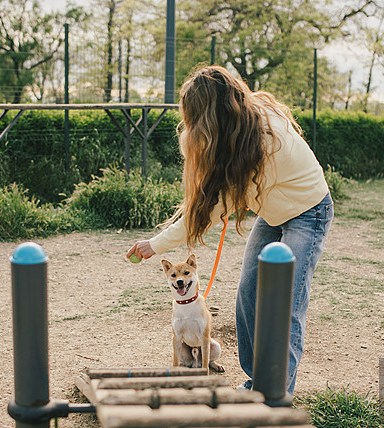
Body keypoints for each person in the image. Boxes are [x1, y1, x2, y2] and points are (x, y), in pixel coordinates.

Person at [127, 66, 333, 395]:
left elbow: (206, 214)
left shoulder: (262, 142)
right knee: (248, 295)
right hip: (274, 213)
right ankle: (256, 382)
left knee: (285, 305)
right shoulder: (237, 132)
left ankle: (276, 396)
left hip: (309, 211)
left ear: (212, 117)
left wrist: (155, 244)